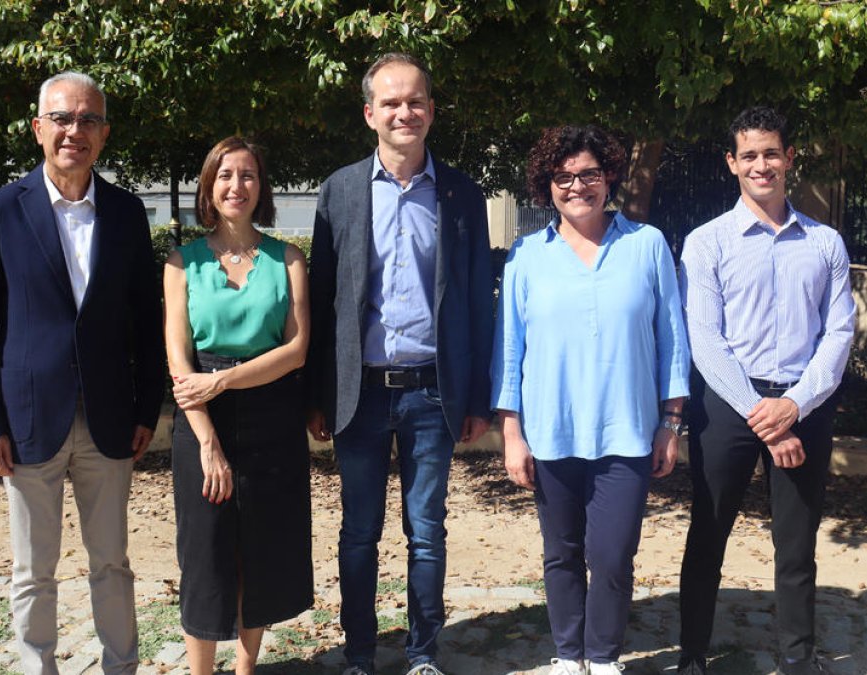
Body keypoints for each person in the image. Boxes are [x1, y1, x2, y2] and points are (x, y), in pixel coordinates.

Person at [0, 71, 164, 675]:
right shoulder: (0, 210)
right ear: (38, 127)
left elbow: (144, 322)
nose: (76, 131)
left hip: (110, 420)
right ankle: (35, 667)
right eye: (64, 119)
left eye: (89, 120)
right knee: (32, 568)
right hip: (24, 425)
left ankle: (121, 666)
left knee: (112, 563)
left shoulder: (125, 212)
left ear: (104, 133)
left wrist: (146, 408)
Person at [306, 52, 494, 675]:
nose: (404, 112)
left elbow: (474, 299)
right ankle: (360, 653)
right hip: (359, 394)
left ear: (432, 111)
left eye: (415, 101)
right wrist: (317, 395)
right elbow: (324, 299)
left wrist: (475, 398)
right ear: (370, 114)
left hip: (432, 393)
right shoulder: (340, 190)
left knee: (427, 531)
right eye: (390, 103)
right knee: (359, 532)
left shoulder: (462, 193)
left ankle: (420, 654)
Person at [492, 126, 691, 675]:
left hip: (627, 431)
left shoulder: (647, 245)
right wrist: (512, 432)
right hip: (551, 432)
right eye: (563, 177)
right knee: (560, 554)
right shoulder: (527, 255)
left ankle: (602, 659)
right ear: (546, 186)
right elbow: (509, 350)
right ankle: (567, 655)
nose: (576, 186)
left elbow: (673, 339)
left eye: (588, 174)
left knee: (610, 555)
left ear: (608, 179)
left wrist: (671, 422)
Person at [676, 106, 856, 675]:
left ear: (789, 158)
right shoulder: (707, 243)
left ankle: (798, 659)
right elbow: (704, 339)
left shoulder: (826, 244)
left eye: (771, 153)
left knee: (797, 543)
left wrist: (795, 406)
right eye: (748, 155)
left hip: (804, 403)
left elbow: (840, 333)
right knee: (708, 532)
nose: (761, 165)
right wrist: (763, 415)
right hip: (729, 405)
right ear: (732, 163)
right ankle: (691, 656)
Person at [163, 136, 313, 675]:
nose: (236, 186)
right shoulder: (181, 263)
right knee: (203, 555)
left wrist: (222, 381)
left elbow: (295, 351)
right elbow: (180, 364)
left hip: (272, 418)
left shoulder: (288, 258)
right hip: (202, 421)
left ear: (260, 187)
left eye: (247, 175)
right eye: (225, 175)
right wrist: (208, 442)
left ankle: (246, 668)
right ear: (209, 186)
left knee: (262, 550)